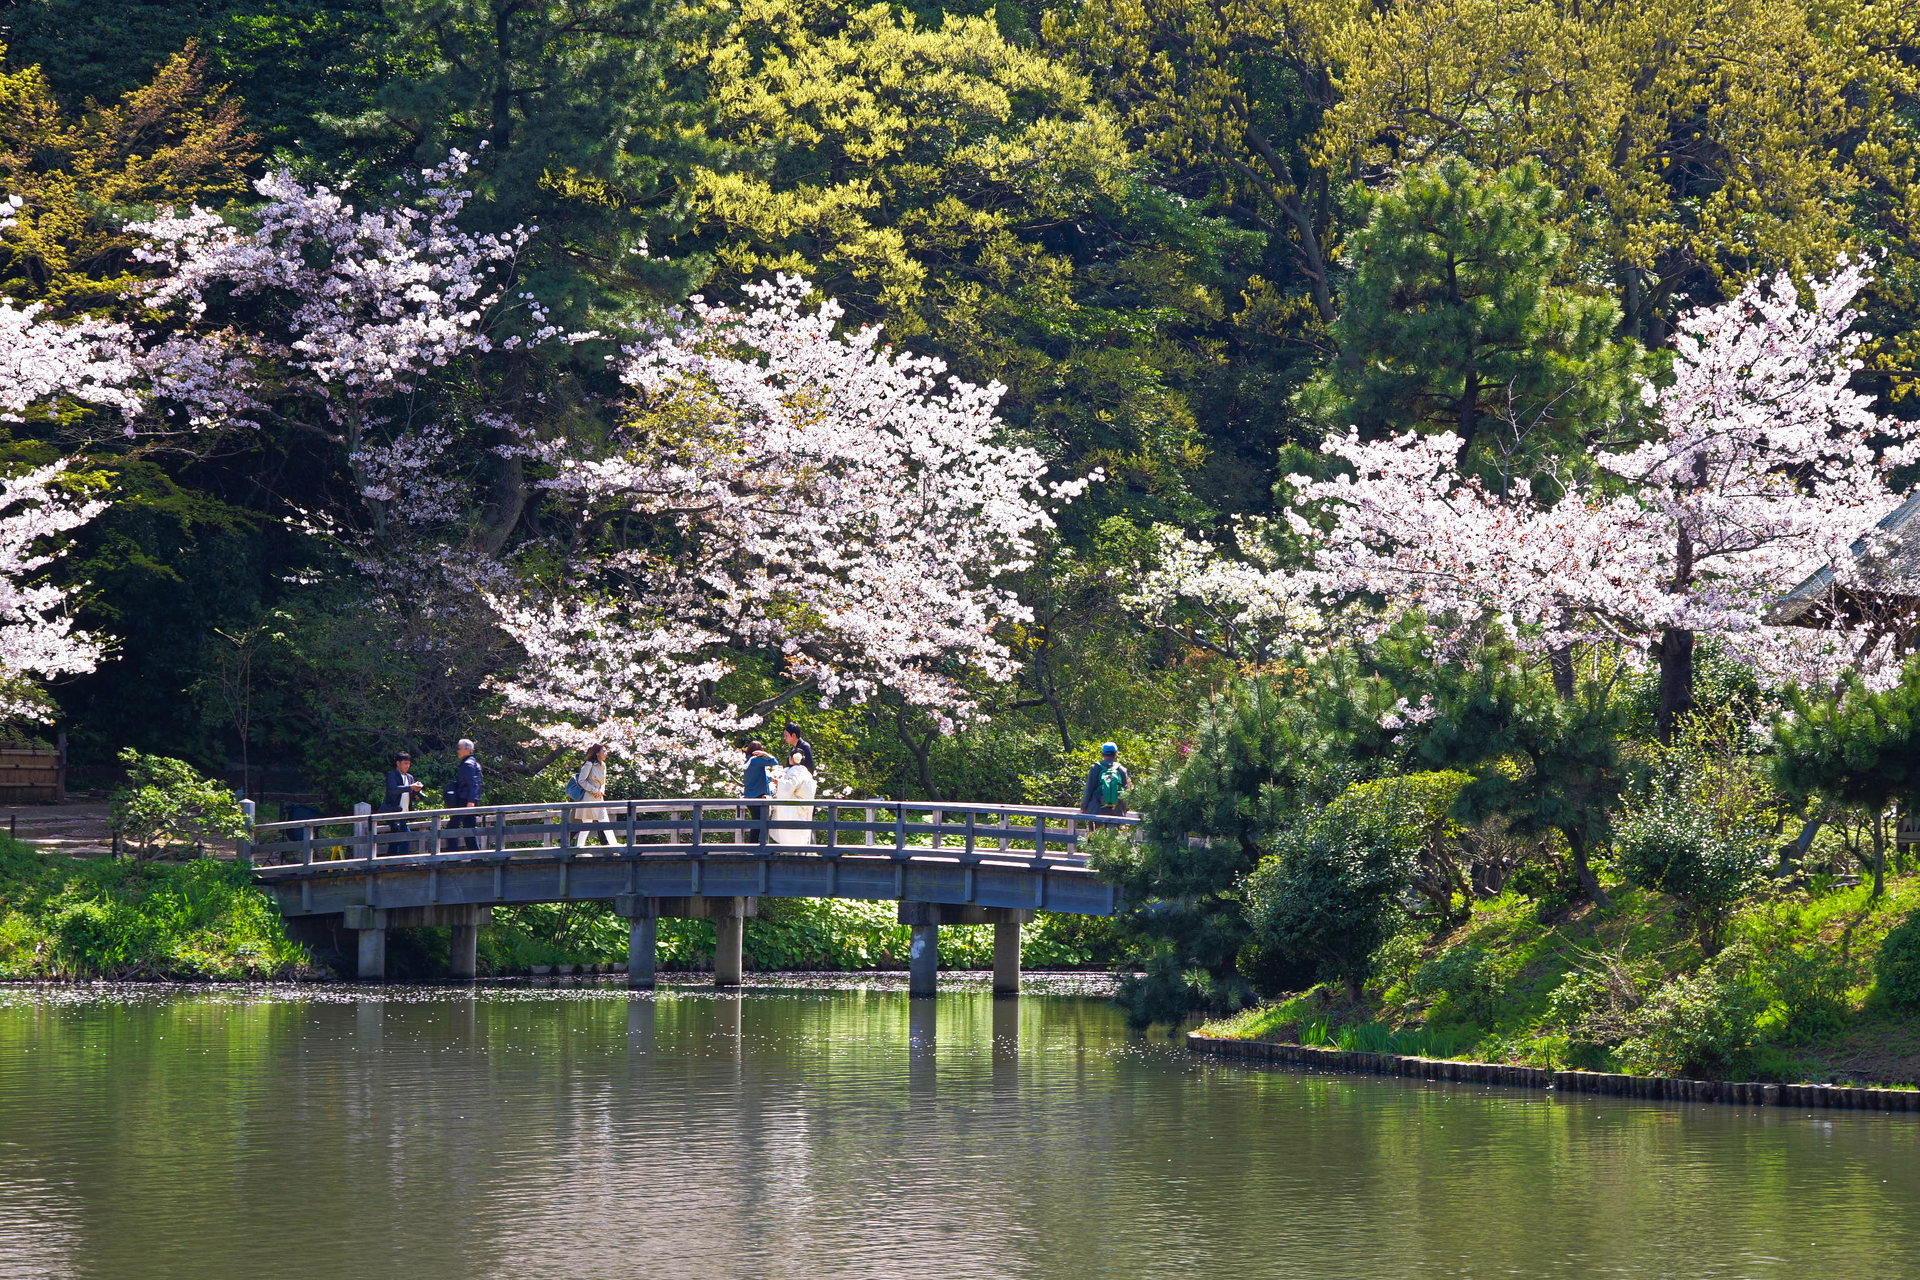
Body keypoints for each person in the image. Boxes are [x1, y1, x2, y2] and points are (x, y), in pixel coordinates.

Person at [380, 751, 423, 857]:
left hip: (404, 813)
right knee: (406, 835)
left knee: (395, 839)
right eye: (405, 763)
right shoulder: (391, 775)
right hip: (393, 811)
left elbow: (410, 794)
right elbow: (393, 790)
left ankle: (388, 863)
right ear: (398, 763)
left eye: (408, 763)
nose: (407, 766)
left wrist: (417, 792)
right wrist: (411, 787)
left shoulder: (410, 777)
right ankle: (401, 862)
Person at [770, 749, 817, 846]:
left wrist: (777, 782)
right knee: (801, 832)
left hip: (795, 805)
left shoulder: (794, 771)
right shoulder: (805, 771)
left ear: (791, 758)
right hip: (804, 804)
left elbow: (790, 786)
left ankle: (791, 848)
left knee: (791, 832)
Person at [571, 743, 610, 847]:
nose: (606, 753)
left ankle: (613, 845)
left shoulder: (603, 765)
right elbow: (581, 781)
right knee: (587, 824)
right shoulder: (589, 764)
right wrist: (594, 790)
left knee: (605, 822)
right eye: (604, 751)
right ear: (597, 753)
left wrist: (601, 790)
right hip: (588, 798)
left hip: (599, 798)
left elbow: (603, 782)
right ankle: (579, 848)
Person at [1081, 742, 1131, 816]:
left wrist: (1083, 807)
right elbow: (1127, 793)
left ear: (1102, 754)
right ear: (1116, 754)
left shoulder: (1095, 768)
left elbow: (1089, 790)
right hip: (1117, 812)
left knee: (1095, 828)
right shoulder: (1121, 769)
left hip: (1096, 811)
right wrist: (1125, 810)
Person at [450, 738, 483, 850]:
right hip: (470, 800)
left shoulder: (467, 764)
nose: (458, 751)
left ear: (468, 750)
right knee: (469, 828)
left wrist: (470, 801)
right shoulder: (474, 763)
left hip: (465, 801)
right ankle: (476, 857)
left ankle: (452, 856)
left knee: (451, 827)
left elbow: (472, 784)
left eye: (460, 748)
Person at [742, 740, 776, 832]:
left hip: (748, 796)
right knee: (758, 826)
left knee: (756, 824)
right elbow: (774, 761)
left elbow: (755, 776)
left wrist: (770, 779)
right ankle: (755, 845)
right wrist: (764, 754)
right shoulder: (756, 760)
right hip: (757, 796)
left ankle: (754, 845)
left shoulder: (748, 761)